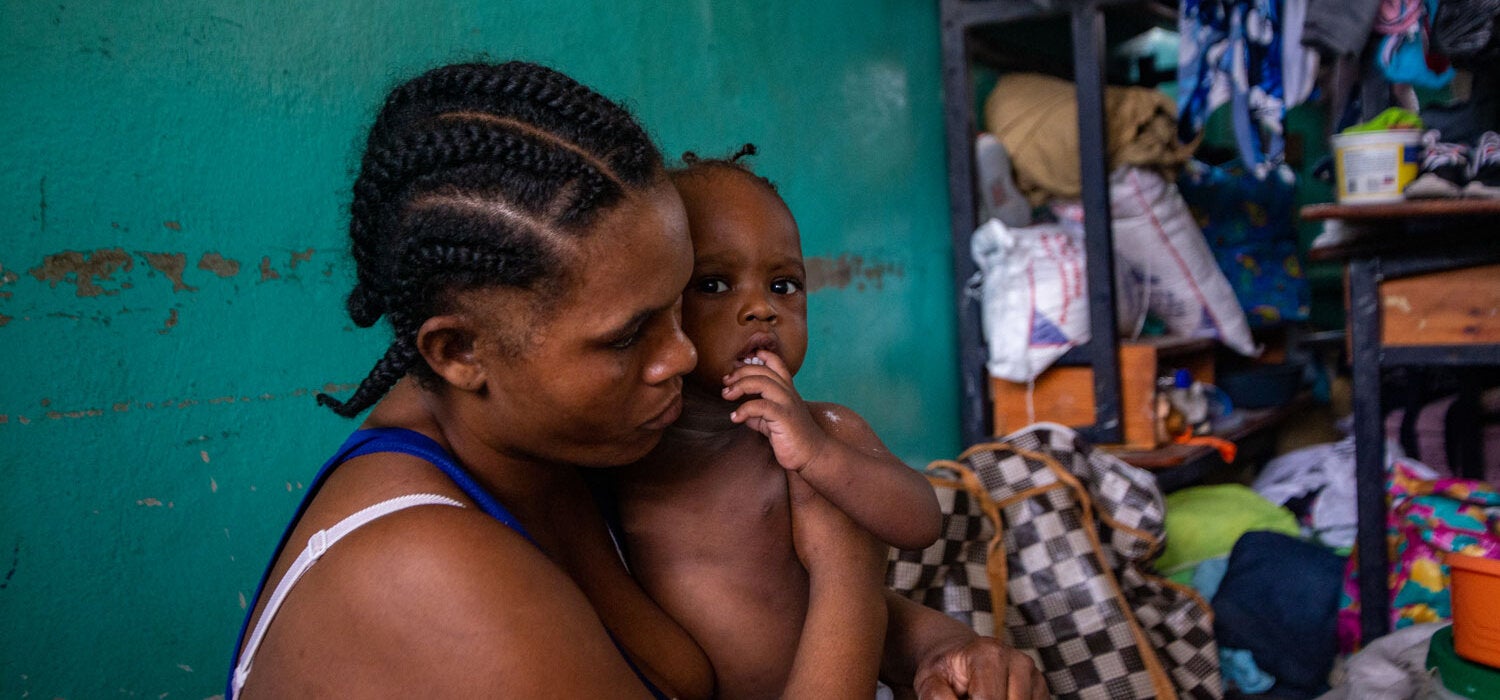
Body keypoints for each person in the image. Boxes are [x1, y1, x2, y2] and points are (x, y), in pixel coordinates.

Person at [227, 60, 1045, 699]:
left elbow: (750, 602)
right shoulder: (433, 575)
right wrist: (851, 573)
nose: (685, 357)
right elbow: (826, 578)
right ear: (457, 353)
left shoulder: (561, 441)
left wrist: (934, 647)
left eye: (677, 306)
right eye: (629, 336)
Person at [614, 146, 955, 699]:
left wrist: (821, 455)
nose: (761, 309)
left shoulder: (822, 429)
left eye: (783, 285)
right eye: (714, 284)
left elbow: (921, 522)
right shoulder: (623, 459)